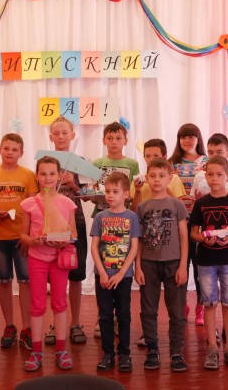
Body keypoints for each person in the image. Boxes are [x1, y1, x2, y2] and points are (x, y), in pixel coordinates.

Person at [0, 133, 38, 349]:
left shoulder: (28, 175)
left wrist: (27, 235)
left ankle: (27, 327)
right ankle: (9, 325)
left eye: (14, 149)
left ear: (21, 152)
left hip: (21, 236)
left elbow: (33, 207)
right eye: (6, 148)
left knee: (25, 281)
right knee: (3, 280)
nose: (10, 152)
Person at [190, 156, 228, 370]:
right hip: (206, 261)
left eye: (219, 174)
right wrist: (204, 238)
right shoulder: (201, 204)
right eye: (210, 174)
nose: (214, 178)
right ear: (205, 176)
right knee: (209, 304)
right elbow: (194, 233)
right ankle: (212, 348)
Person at [20, 156, 78, 372]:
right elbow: (23, 235)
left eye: (52, 173)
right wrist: (33, 241)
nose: (47, 178)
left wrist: (62, 240)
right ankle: (36, 351)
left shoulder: (67, 203)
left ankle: (61, 350)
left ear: (59, 176)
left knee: (60, 303)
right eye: (43, 174)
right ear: (36, 176)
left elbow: (73, 234)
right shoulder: (29, 203)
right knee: (37, 305)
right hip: (37, 258)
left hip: (59, 260)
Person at [130, 138, 185, 348]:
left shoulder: (177, 204)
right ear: (146, 178)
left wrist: (182, 265)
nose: (156, 180)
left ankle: (176, 349)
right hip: (148, 262)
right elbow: (138, 237)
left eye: (162, 176)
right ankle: (152, 348)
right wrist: (137, 266)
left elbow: (183, 237)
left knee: (176, 310)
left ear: (170, 177)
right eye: (152, 176)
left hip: (173, 261)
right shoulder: (142, 206)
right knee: (148, 309)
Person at [43, 117, 90, 346]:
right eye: (56, 133)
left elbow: (88, 196)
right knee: (55, 275)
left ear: (72, 135)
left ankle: (75, 322)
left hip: (75, 224)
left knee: (76, 274)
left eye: (65, 133)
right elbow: (38, 192)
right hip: (51, 224)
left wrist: (73, 184)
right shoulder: (45, 162)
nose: (61, 137)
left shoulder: (80, 162)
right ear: (50, 137)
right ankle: (56, 323)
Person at [91, 121, 139, 338]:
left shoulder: (132, 163)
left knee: (120, 262)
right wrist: (92, 194)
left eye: (118, 138)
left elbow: (134, 191)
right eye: (109, 138)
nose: (114, 142)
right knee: (103, 262)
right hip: (102, 218)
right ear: (103, 140)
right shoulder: (98, 163)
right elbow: (92, 190)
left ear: (125, 141)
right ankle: (102, 318)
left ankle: (120, 320)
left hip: (124, 222)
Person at [90, 172, 141, 372]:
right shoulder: (100, 217)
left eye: (115, 191)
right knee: (104, 315)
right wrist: (102, 273)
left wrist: (121, 273)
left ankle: (124, 354)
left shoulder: (132, 217)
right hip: (102, 276)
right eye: (107, 191)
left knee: (123, 315)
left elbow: (134, 248)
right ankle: (108, 354)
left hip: (123, 277)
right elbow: (94, 247)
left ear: (126, 194)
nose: (110, 195)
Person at [168, 123, 208, 326]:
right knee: (181, 264)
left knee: (201, 265)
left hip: (201, 221)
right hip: (178, 220)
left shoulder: (207, 162)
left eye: (191, 136)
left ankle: (201, 306)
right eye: (183, 137)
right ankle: (181, 304)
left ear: (198, 139)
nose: (187, 140)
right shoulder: (172, 163)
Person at [130, 138, 186, 211]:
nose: (151, 159)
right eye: (147, 156)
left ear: (165, 157)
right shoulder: (138, 181)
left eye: (156, 155)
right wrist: (137, 191)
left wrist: (163, 186)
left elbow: (181, 209)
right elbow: (134, 212)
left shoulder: (174, 178)